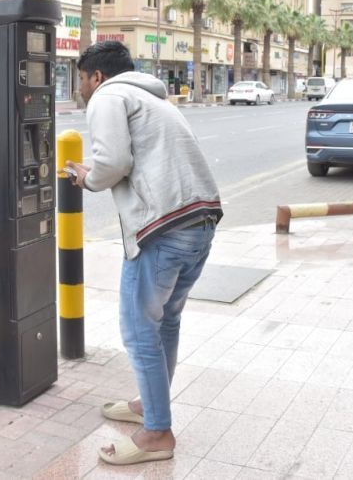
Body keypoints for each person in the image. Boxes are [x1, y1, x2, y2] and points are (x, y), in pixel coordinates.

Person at [65, 40, 222, 466]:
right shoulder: (152, 98)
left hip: (163, 231)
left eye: (80, 78)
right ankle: (148, 409)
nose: (79, 88)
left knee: (138, 329)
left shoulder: (109, 96)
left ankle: (156, 432)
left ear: (96, 76)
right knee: (165, 321)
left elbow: (112, 162)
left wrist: (87, 177)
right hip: (200, 223)